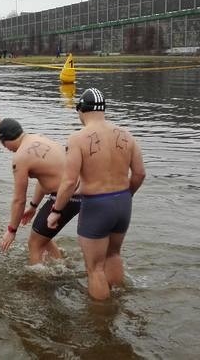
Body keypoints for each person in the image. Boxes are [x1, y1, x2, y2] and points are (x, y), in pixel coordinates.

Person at [48, 88, 146, 300]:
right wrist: (126, 196)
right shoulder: (127, 135)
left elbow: (69, 182)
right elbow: (139, 173)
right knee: (113, 254)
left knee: (95, 269)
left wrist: (56, 210)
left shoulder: (78, 138)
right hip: (123, 202)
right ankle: (120, 300)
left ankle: (101, 321)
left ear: (81, 110)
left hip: (96, 205)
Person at [0, 118, 81, 265]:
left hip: (65, 196)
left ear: (5, 140)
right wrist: (33, 206)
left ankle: (36, 282)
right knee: (42, 237)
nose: (5, 148)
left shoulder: (20, 157)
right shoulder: (38, 137)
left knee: (34, 243)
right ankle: (61, 266)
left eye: (2, 144)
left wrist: (11, 230)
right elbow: (46, 179)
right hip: (77, 193)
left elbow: (18, 199)